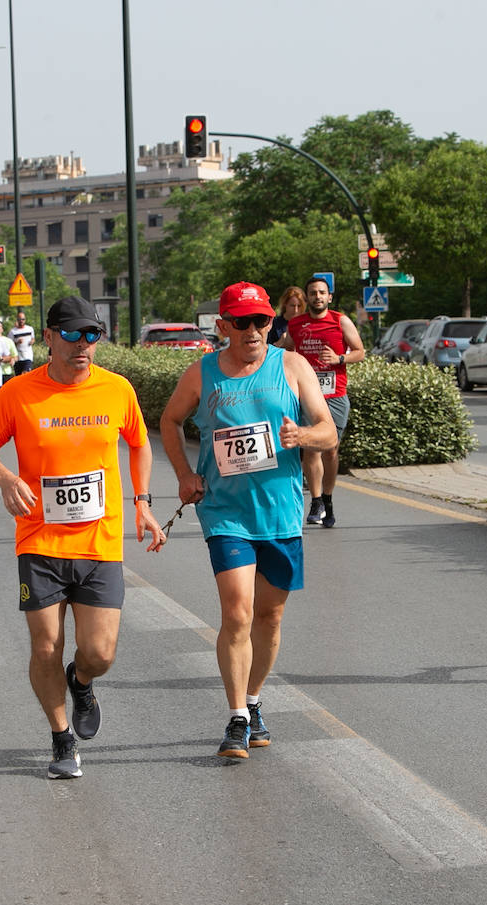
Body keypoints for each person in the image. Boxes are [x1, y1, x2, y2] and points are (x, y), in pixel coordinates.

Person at [0, 295, 166, 779]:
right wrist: (7, 479)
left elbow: (140, 443)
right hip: (39, 540)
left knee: (100, 654)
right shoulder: (18, 393)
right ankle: (61, 740)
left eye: (92, 335)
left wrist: (142, 503)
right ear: (49, 336)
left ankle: (81, 682)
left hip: (100, 542)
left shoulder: (116, 389)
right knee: (44, 647)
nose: (84, 345)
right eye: (73, 335)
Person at [160, 281, 336, 759]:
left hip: (280, 511)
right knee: (237, 611)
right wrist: (183, 473)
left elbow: (328, 429)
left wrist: (303, 434)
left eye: (262, 321)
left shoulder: (293, 366)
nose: (254, 330)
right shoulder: (203, 374)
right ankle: (237, 716)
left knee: (269, 616)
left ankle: (254, 700)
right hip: (225, 512)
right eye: (243, 322)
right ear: (223, 326)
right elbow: (170, 420)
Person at [277, 276, 365, 527]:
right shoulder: (297, 324)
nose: (317, 296)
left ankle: (327, 498)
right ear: (308, 297)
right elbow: (287, 348)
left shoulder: (340, 321)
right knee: (311, 446)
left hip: (335, 395)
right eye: (313, 293)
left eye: (322, 292)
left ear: (329, 297)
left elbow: (360, 352)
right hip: (308, 395)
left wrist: (339, 359)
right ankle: (315, 501)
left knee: (330, 449)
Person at [9, 311, 36, 375]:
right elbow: (9, 345)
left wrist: (32, 341)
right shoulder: (13, 331)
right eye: (19, 319)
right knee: (19, 377)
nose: (21, 321)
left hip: (28, 356)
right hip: (18, 357)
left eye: (23, 319)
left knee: (25, 373)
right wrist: (17, 342)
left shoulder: (30, 329)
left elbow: (33, 338)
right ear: (17, 320)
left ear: (25, 320)